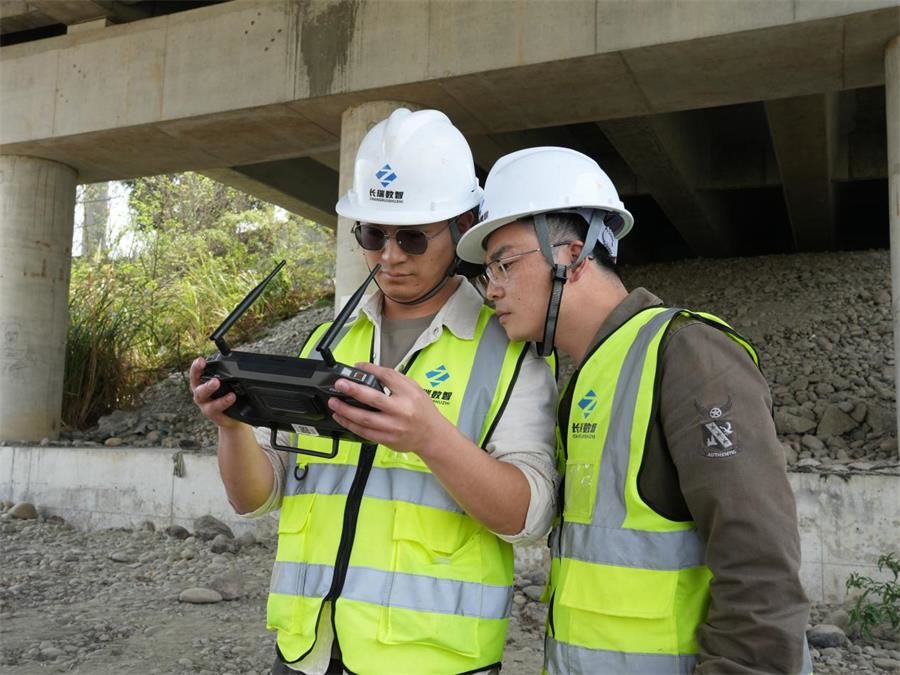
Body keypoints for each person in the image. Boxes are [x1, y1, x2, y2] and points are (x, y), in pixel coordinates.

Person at [190, 109, 558, 675]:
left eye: (412, 237)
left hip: (430, 662)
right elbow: (255, 499)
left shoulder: (510, 351)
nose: (389, 256)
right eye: (372, 234)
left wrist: (430, 438)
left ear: (463, 225)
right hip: (307, 654)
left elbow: (529, 518)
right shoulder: (327, 341)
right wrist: (232, 424)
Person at [456, 146, 812, 675]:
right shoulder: (592, 376)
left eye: (504, 264)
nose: (493, 290)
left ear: (573, 255)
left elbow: (760, 563)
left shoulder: (688, 353)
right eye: (488, 272)